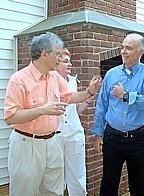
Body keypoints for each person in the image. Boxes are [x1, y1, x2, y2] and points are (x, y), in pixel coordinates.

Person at [4, 32, 101, 196]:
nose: (59, 58)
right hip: (27, 143)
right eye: (57, 54)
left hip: (53, 141)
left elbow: (70, 97)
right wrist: (42, 110)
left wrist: (89, 92)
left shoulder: (55, 77)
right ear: (44, 54)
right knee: (24, 192)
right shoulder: (18, 80)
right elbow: (11, 117)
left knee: (53, 192)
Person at [91, 33, 144, 196]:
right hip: (112, 137)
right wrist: (98, 133)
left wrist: (127, 95)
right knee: (108, 183)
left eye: (128, 48)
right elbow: (102, 104)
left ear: (141, 52)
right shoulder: (111, 74)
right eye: (122, 47)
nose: (123, 51)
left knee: (137, 185)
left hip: (138, 139)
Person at [55, 48, 95, 196]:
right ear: (55, 64)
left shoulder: (73, 81)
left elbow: (75, 110)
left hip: (74, 133)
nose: (70, 64)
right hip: (55, 135)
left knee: (77, 175)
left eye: (70, 61)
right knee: (55, 176)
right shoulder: (49, 81)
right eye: (66, 61)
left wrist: (89, 100)